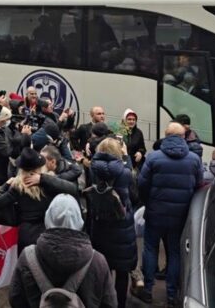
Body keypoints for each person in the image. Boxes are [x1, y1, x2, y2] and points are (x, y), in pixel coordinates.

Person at [9, 194, 117, 308]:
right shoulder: (98, 261)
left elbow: (15, 299)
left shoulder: (27, 257)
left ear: (48, 217)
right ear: (79, 220)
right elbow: (110, 304)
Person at [137, 122, 203, 306]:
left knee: (150, 248)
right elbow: (199, 185)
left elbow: (142, 184)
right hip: (180, 215)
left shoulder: (153, 157)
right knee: (174, 252)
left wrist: (148, 203)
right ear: (184, 137)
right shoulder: (194, 159)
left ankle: (148, 289)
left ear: (166, 136)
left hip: (155, 212)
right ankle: (172, 294)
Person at [0, 147, 79, 251]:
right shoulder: (49, 182)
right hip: (48, 231)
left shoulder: (18, 187)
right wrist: (43, 179)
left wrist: (6, 185)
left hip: (26, 235)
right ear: (40, 166)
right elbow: (73, 189)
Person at [88, 138, 138, 308]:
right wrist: (127, 158)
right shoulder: (124, 172)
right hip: (122, 228)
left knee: (104, 270)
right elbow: (134, 196)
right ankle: (120, 304)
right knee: (122, 273)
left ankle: (105, 303)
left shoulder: (93, 170)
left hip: (101, 225)